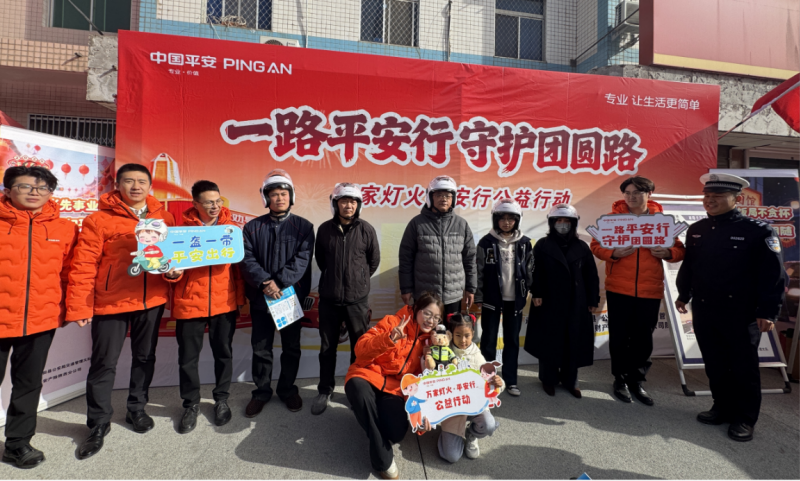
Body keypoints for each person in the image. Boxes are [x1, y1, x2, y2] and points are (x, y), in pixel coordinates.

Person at [66, 163, 175, 459]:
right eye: (129, 181)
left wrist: (172, 273)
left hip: (151, 301)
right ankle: (98, 423)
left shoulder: (164, 218)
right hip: (110, 301)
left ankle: (136, 409)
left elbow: (169, 258)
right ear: (117, 185)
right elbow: (83, 264)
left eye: (142, 181)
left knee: (145, 357)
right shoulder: (98, 219)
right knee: (104, 363)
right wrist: (80, 305)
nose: (136, 186)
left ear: (150, 185)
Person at [676, 173, 785, 442]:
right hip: (705, 308)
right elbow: (690, 266)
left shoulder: (758, 231)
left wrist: (768, 311)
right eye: (707, 196)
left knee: (743, 367)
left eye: (718, 196)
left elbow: (773, 274)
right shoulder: (698, 229)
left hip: (741, 312)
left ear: (736, 199)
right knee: (715, 363)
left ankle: (745, 418)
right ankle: (721, 407)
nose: (710, 200)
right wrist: (683, 294)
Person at [0, 166, 78, 469]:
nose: (35, 192)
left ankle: (18, 444)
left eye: (43, 187)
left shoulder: (65, 228)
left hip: (41, 319)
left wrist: (72, 309)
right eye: (26, 186)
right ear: (8, 190)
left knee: (29, 383)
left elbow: (71, 273)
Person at [590, 176, 685, 406]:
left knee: (643, 339)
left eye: (637, 193)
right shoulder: (612, 220)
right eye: (627, 193)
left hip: (650, 289)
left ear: (649, 194)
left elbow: (679, 250)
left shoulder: (662, 222)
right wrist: (613, 253)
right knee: (619, 336)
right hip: (618, 288)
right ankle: (620, 379)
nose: (631, 197)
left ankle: (637, 381)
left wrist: (668, 253)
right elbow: (596, 245)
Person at [164, 181, 245, 433]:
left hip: (224, 304)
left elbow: (238, 271)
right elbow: (170, 267)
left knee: (224, 354)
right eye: (209, 202)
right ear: (195, 204)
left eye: (218, 201)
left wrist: (239, 300)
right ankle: (190, 405)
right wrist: (171, 273)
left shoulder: (231, 231)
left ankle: (222, 399)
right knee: (188, 359)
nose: (215, 206)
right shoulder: (179, 233)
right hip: (189, 304)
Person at [240, 169, 314, 416]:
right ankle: (261, 392)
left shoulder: (304, 227)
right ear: (266, 198)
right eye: (274, 194)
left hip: (288, 297)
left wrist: (279, 283)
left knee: (291, 347)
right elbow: (246, 259)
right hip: (261, 298)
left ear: (291, 196)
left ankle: (287, 390)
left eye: (284, 193)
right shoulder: (252, 227)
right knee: (261, 348)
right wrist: (264, 282)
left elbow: (302, 260)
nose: (279, 198)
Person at [345, 292, 441, 481]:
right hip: (368, 376)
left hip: (394, 390)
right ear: (416, 309)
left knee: (396, 433)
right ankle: (384, 460)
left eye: (436, 317)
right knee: (358, 390)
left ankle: (368, 414)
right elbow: (360, 349)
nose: (431, 321)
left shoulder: (431, 344)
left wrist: (421, 416)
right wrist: (388, 338)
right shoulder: (393, 321)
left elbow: (421, 383)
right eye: (427, 313)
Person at [312, 183, 380, 415]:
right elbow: (321, 260)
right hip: (329, 299)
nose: (348, 205)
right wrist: (335, 280)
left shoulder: (366, 229)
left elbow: (373, 261)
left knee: (359, 348)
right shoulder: (324, 229)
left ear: (358, 205)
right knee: (327, 348)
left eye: (353, 201)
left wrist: (358, 281)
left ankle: (354, 390)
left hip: (357, 300)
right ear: (335, 204)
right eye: (343, 201)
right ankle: (325, 389)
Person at [524, 204, 599, 397]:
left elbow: (591, 275)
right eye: (559, 220)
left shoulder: (582, 246)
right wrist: (536, 293)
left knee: (573, 340)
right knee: (549, 340)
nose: (563, 224)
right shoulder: (542, 245)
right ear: (552, 223)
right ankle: (548, 379)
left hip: (576, 302)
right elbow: (535, 272)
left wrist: (593, 299)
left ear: (573, 224)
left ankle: (570, 380)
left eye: (567, 221)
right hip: (549, 301)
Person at [475, 198, 532, 397]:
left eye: (511, 219)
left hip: (515, 301)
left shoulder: (524, 243)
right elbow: (478, 271)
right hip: (491, 299)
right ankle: (487, 379)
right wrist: (478, 295)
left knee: (512, 341)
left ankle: (511, 381)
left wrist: (532, 291)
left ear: (517, 220)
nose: (506, 222)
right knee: (488, 340)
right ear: (495, 220)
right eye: (502, 218)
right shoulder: (486, 242)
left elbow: (530, 270)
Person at [399, 175, 476, 315]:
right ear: (430, 197)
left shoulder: (461, 225)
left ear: (453, 199)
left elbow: (470, 259)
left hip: (453, 295)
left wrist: (470, 288)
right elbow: (406, 259)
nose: (444, 199)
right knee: (426, 330)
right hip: (425, 295)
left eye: (448, 195)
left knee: (451, 329)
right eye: (439, 195)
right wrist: (406, 288)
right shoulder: (417, 224)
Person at [437, 313, 501, 464]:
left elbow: (490, 378)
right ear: (450, 334)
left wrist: (498, 382)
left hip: (474, 406)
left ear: (473, 333)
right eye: (458, 335)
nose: (463, 340)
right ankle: (447, 435)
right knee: (452, 457)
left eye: (467, 335)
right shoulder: (443, 352)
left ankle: (472, 434)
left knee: (489, 424)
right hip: (453, 409)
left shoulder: (477, 355)